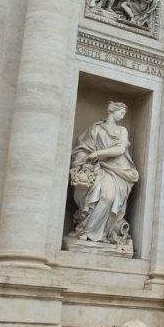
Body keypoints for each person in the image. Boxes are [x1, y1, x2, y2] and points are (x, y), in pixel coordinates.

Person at [69, 101, 139, 246]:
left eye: (125, 114)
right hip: (97, 168)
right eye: (121, 113)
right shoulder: (95, 129)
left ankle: (96, 232)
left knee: (108, 197)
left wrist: (97, 153)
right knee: (95, 196)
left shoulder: (122, 131)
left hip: (117, 170)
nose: (123, 116)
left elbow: (120, 150)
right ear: (112, 111)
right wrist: (84, 160)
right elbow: (83, 147)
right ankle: (87, 231)